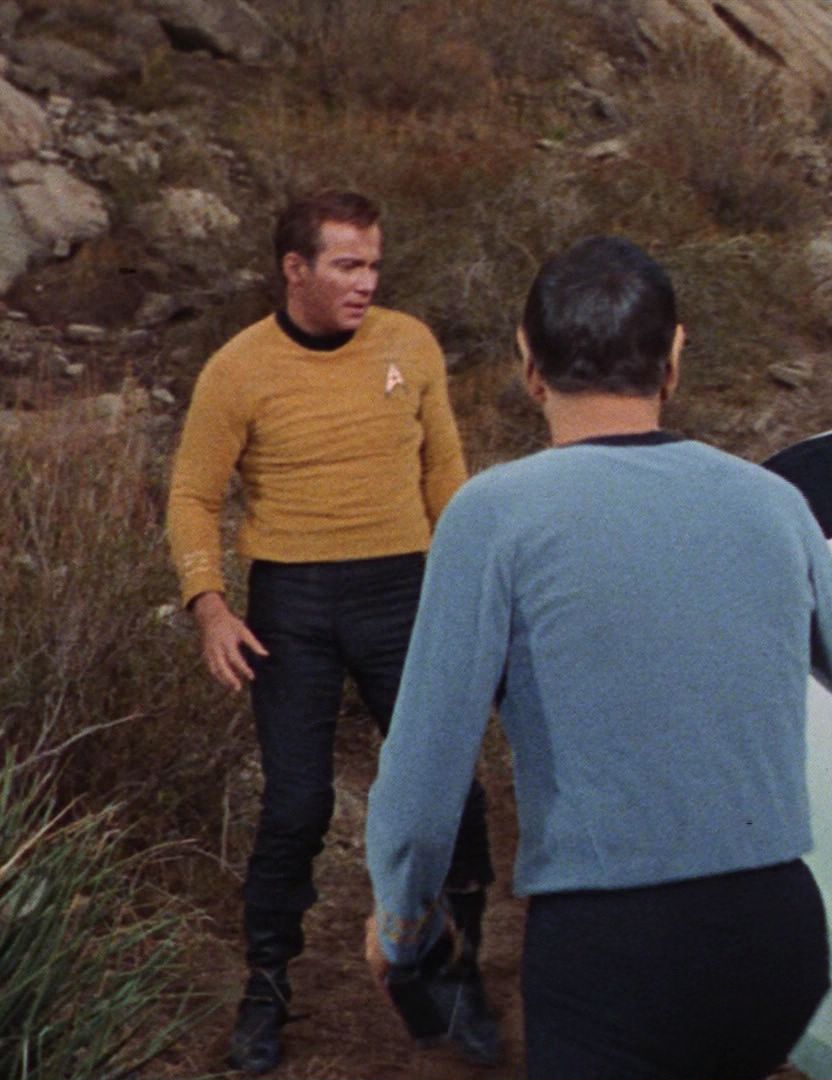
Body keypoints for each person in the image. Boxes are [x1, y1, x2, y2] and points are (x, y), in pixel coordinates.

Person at [364, 236, 832, 1079]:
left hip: (612, 946)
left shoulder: (494, 514)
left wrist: (402, 923)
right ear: (674, 357)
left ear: (529, 362)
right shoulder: (772, 499)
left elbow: (427, 767)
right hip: (776, 932)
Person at [165, 190, 495, 1074]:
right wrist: (209, 605)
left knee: (451, 793)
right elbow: (194, 493)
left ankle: (457, 974)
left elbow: (445, 469)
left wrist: (473, 585)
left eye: (374, 265)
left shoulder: (409, 344)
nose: (366, 282)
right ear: (294, 269)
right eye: (347, 265)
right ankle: (266, 987)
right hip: (293, 604)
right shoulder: (238, 368)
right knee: (297, 804)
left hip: (404, 591)